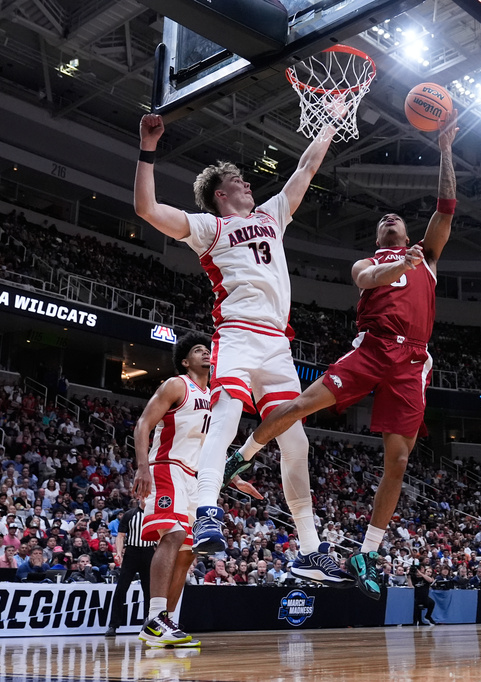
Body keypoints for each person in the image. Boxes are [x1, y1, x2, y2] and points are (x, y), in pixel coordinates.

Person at [231, 110, 460, 599]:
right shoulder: (371, 262)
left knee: (397, 462)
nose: (390, 219)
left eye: (396, 218)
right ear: (380, 238)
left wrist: (444, 150)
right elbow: (367, 280)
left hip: (413, 362)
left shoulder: (428, 257)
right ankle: (243, 456)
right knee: (298, 407)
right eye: (383, 221)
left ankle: (369, 550)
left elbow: (445, 209)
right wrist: (399, 262)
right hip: (372, 350)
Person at [134, 111, 340, 567]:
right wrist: (148, 148)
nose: (249, 184)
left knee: (296, 441)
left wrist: (330, 123)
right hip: (239, 333)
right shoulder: (210, 228)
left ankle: (310, 548)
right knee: (226, 411)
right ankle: (208, 507)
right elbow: (147, 210)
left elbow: (305, 169)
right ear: (220, 193)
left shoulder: (271, 214)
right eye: (239, 181)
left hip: (278, 344)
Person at [131, 334, 261, 647]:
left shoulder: (217, 398)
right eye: (198, 350)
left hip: (196, 478)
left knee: (189, 552)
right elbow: (142, 425)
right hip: (167, 466)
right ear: (186, 361)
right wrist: (143, 466)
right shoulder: (177, 385)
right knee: (173, 536)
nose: (206, 353)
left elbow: (211, 450)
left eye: (208, 349)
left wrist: (233, 479)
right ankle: (154, 619)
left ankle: (167, 622)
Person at [106, 499, 155, 637]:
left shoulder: (154, 515)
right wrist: (118, 553)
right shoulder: (130, 514)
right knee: (121, 588)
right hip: (132, 552)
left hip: (148, 552)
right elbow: (120, 536)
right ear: (140, 498)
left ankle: (148, 624)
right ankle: (113, 625)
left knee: (149, 591)